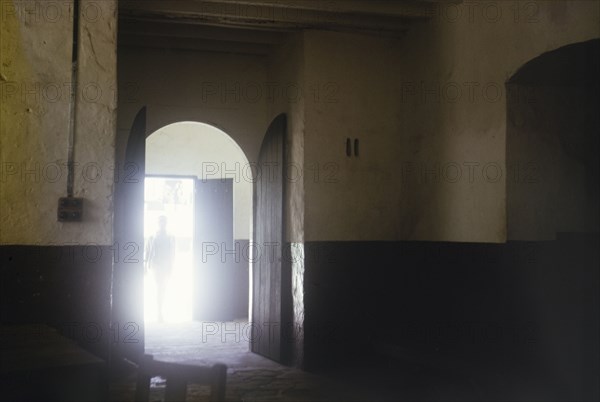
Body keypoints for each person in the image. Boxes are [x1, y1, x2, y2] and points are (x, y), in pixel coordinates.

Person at [145, 215, 175, 322]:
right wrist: (145, 266)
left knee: (163, 288)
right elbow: (147, 251)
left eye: (163, 222)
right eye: (160, 221)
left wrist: (171, 267)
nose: (162, 223)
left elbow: (172, 253)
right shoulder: (152, 237)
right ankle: (159, 311)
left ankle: (160, 310)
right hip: (156, 265)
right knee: (159, 287)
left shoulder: (170, 237)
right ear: (158, 223)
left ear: (166, 223)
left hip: (165, 265)